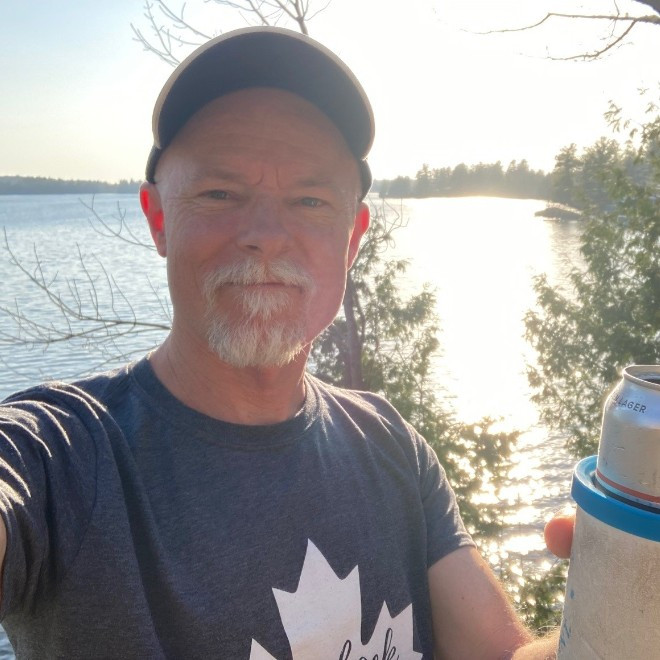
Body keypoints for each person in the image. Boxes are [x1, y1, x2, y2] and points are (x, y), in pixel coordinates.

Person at [0, 27, 572, 659]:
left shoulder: (391, 447)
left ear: (352, 238)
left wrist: (627, 591)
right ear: (159, 218)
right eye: (220, 194)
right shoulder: (63, 455)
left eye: (310, 200)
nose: (266, 234)